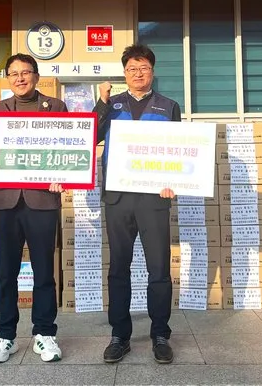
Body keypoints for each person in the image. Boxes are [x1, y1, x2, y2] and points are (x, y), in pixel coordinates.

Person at [0, 53, 67, 364]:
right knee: (6, 273)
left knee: (44, 272)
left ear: (36, 76)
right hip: (7, 202)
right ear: (8, 78)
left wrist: (63, 176)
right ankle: (5, 335)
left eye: (26, 72)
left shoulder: (56, 107)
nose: (20, 78)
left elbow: (66, 147)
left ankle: (44, 333)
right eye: (14, 73)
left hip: (42, 201)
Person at [93, 43, 181, 364]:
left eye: (143, 68)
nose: (138, 73)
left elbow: (178, 149)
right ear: (124, 73)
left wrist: (175, 181)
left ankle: (160, 334)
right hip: (118, 197)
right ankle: (120, 335)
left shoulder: (168, 106)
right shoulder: (112, 104)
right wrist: (102, 102)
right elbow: (91, 135)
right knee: (119, 268)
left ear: (152, 72)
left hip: (154, 198)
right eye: (132, 69)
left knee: (159, 268)